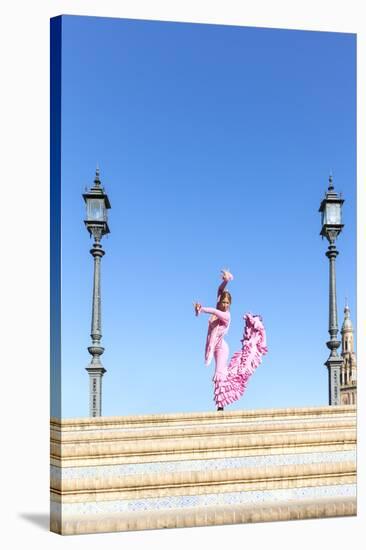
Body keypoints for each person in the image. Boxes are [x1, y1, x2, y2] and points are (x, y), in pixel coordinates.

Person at [194, 270, 234, 411]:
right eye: (223, 302)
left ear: (230, 304)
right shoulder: (219, 306)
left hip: (222, 347)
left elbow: (214, 312)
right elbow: (219, 289)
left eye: (227, 303)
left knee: (219, 374)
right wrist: (226, 280)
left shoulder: (226, 315)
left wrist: (203, 309)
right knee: (219, 373)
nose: (224, 304)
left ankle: (221, 405)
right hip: (214, 346)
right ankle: (220, 403)